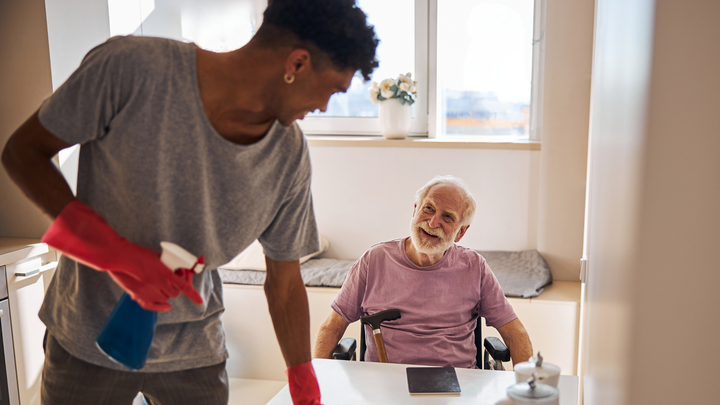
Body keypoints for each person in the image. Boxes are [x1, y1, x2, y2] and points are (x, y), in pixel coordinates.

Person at [1, 0, 378, 403]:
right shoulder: (132, 68)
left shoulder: (287, 155)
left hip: (194, 352)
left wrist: (302, 373)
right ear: (298, 64)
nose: (323, 107)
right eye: (332, 90)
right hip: (86, 338)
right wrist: (117, 254)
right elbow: (23, 153)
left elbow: (284, 283)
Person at [314, 175, 533, 368]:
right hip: (385, 386)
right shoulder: (374, 261)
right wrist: (315, 385)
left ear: (461, 232)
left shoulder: (474, 267)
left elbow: (516, 334)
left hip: (458, 386)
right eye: (428, 208)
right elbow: (332, 327)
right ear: (415, 209)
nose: (433, 222)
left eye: (447, 217)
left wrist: (525, 392)